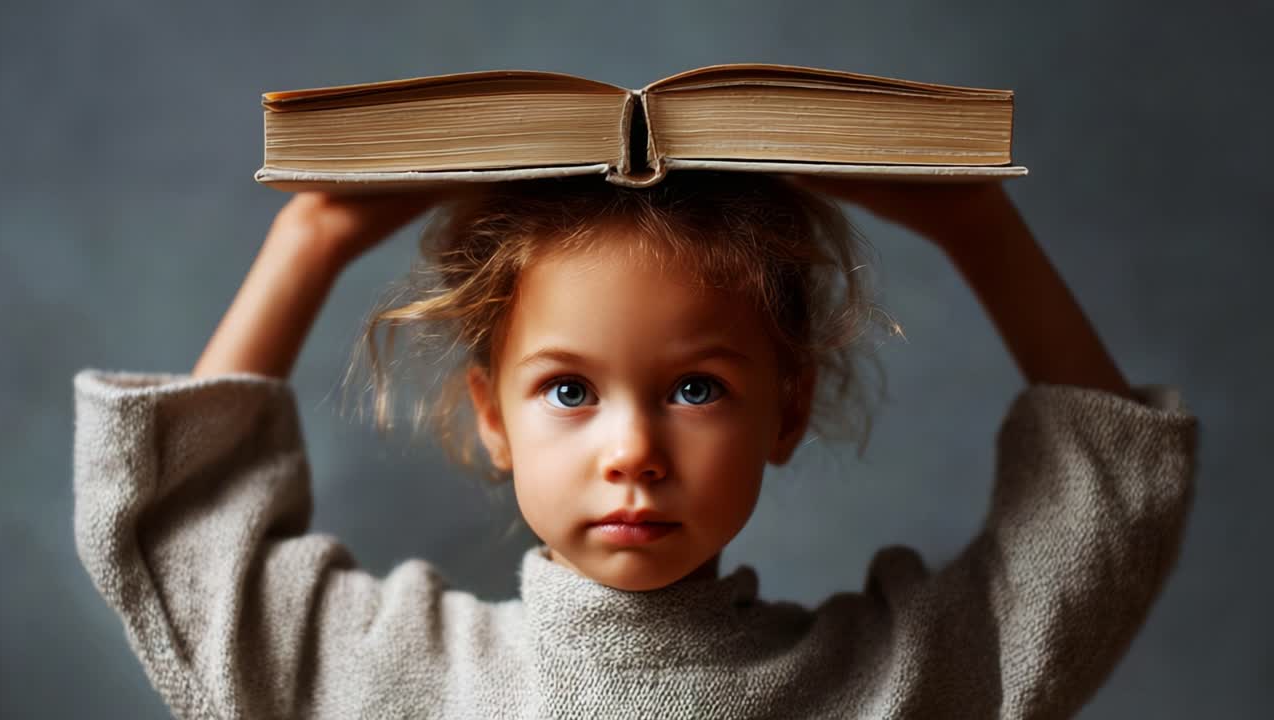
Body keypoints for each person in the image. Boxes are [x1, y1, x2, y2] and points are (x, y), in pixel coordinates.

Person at [73, 172, 1197, 718]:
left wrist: (976, 223)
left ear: (786, 412)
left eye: (696, 388)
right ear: (492, 417)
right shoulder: (402, 678)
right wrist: (310, 234)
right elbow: (186, 550)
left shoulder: (884, 687)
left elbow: (1095, 533)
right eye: (568, 389)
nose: (633, 451)